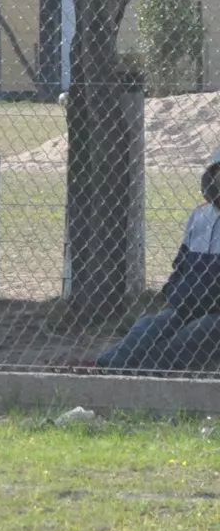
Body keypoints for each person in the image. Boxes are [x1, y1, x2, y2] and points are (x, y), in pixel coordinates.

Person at [93, 150, 220, 373]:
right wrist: (176, 293)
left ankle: (142, 373)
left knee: (196, 333)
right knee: (150, 325)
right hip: (188, 305)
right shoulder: (201, 216)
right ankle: (103, 368)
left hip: (215, 314)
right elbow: (182, 265)